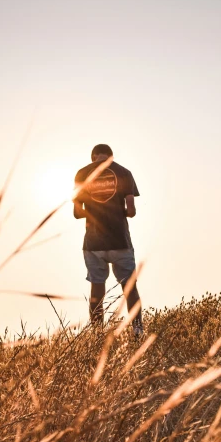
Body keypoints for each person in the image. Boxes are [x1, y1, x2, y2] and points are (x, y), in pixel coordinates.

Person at [73, 144, 143, 336]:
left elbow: (77, 213)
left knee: (97, 290)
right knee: (129, 288)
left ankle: (97, 334)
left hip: (93, 243)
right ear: (111, 156)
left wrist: (95, 211)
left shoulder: (82, 173)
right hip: (120, 241)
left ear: (93, 157)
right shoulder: (123, 172)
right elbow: (131, 210)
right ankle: (137, 331)